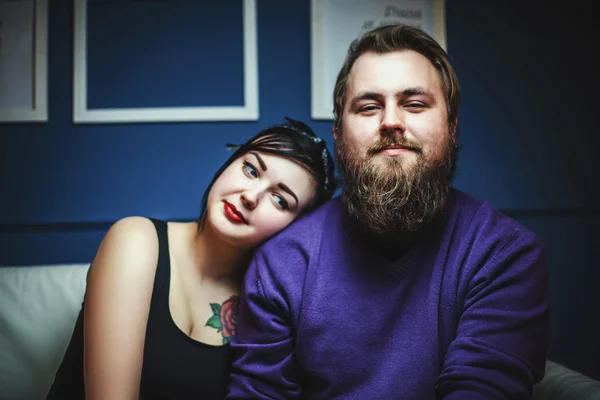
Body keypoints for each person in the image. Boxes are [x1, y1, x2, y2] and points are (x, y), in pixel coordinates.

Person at [227, 25, 549, 399]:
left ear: (452, 126)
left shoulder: (503, 253)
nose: (391, 122)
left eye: (414, 104)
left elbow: (484, 389)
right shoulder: (282, 264)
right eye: (368, 107)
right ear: (338, 134)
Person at [45, 117, 336, 400]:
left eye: (280, 200)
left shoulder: (269, 302)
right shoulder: (136, 241)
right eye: (250, 170)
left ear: (296, 227)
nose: (251, 196)